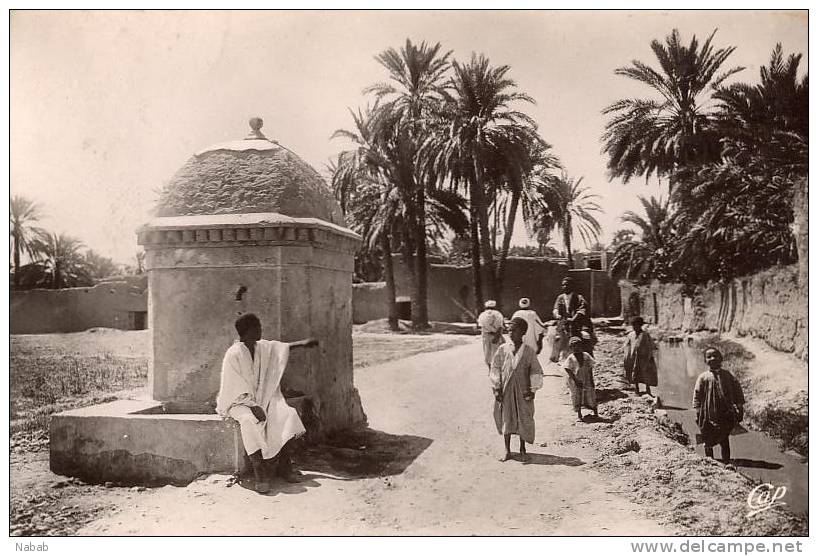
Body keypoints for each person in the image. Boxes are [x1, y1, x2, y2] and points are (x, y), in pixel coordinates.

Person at [216, 313, 319, 493]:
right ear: (246, 331)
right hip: (238, 403)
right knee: (248, 421)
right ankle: (260, 471)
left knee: (286, 414)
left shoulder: (262, 347)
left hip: (262, 398)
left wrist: (303, 344)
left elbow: (280, 348)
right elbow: (233, 386)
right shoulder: (233, 354)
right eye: (257, 328)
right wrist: (253, 406)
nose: (261, 331)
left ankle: (285, 466)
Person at [489, 317, 544, 462]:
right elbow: (495, 368)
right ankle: (507, 450)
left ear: (523, 332)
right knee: (506, 417)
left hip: (523, 391)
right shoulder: (503, 349)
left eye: (514, 330)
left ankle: (522, 449)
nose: (511, 333)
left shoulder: (528, 351)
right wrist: (497, 387)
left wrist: (532, 389)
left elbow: (536, 371)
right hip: (506, 390)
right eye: (509, 330)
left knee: (523, 417)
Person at [693, 348, 745, 463]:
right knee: (707, 438)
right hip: (707, 414)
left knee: (724, 439)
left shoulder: (727, 376)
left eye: (715, 356)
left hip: (724, 413)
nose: (712, 359)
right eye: (709, 357)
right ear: (705, 361)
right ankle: (710, 461)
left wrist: (740, 407)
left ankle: (726, 462)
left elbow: (737, 391)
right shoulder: (703, 377)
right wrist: (697, 412)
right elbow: (697, 395)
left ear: (721, 358)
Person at [563, 336, 598, 422]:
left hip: (586, 378)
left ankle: (595, 412)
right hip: (576, 379)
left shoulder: (586, 355)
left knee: (590, 394)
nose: (576, 348)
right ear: (571, 348)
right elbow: (567, 368)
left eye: (578, 346)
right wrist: (575, 380)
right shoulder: (571, 358)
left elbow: (590, 367)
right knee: (577, 396)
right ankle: (579, 413)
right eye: (574, 346)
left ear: (581, 346)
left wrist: (591, 379)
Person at [623, 316, 658, 396]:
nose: (635, 327)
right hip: (634, 358)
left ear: (640, 325)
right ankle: (637, 389)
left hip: (644, 358)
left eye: (636, 325)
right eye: (633, 326)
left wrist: (649, 356)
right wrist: (627, 356)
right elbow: (627, 345)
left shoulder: (645, 335)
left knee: (646, 374)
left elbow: (651, 346)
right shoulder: (631, 335)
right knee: (635, 373)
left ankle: (648, 390)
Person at [477, 300, 506, 368]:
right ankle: (497, 369)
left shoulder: (482, 314)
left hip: (485, 335)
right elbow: (500, 326)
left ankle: (490, 369)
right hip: (495, 334)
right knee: (496, 352)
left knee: (487, 352)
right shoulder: (498, 314)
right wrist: (498, 336)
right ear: (494, 306)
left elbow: (479, 326)